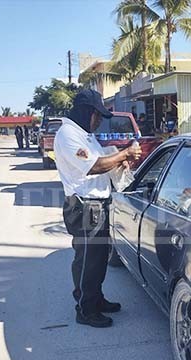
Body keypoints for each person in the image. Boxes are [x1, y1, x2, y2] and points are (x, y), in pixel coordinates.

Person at [54, 89, 142, 328]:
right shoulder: (68, 135)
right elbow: (93, 166)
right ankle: (85, 309)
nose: (99, 120)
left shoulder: (85, 135)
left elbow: (107, 163)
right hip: (84, 206)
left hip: (96, 204)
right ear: (87, 112)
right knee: (89, 260)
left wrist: (123, 160)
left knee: (97, 258)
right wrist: (124, 152)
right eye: (97, 115)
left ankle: (94, 298)